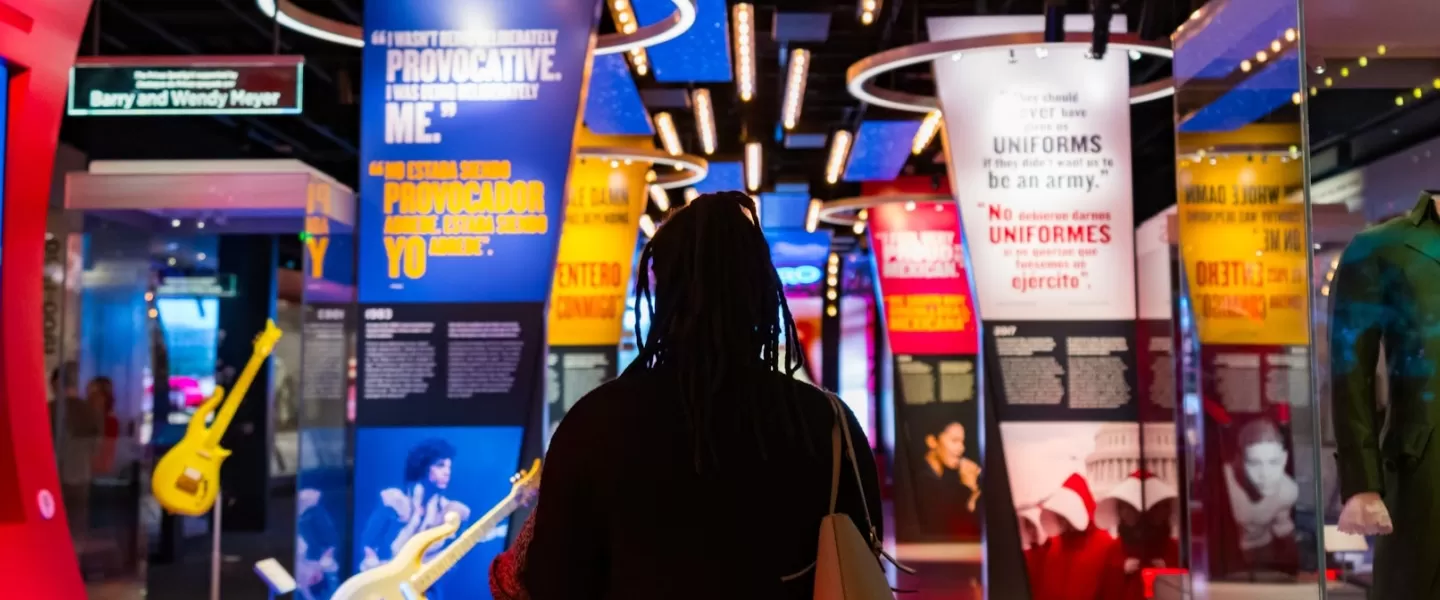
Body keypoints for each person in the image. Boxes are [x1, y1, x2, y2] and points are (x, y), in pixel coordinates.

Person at [509, 192, 882, 599]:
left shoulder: (594, 424)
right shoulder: (827, 424)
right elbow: (863, 564)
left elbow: (552, 581)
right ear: (762, 291)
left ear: (663, 289)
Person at [358, 438, 472, 599]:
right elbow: (368, 543)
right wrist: (380, 575)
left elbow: (455, 561)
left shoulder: (452, 512)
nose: (447, 472)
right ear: (424, 467)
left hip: (424, 590)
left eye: (449, 467)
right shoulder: (394, 501)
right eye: (440, 465)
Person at [1223, 418, 1298, 572]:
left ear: (1284, 459)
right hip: (1225, 557)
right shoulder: (1222, 483)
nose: (1265, 474)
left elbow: (1283, 529)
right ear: (1240, 461)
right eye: (1254, 463)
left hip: (1262, 552)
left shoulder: (1288, 490)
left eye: (1273, 462)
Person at [1028, 473, 1116, 600]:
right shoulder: (1055, 545)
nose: (1062, 521)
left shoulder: (1105, 545)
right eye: (1059, 516)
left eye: (1065, 516)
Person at [912, 419, 981, 538]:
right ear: (932, 441)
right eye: (954, 441)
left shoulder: (949, 477)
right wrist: (969, 488)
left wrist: (973, 491)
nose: (962, 448)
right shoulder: (921, 480)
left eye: (962, 442)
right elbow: (947, 526)